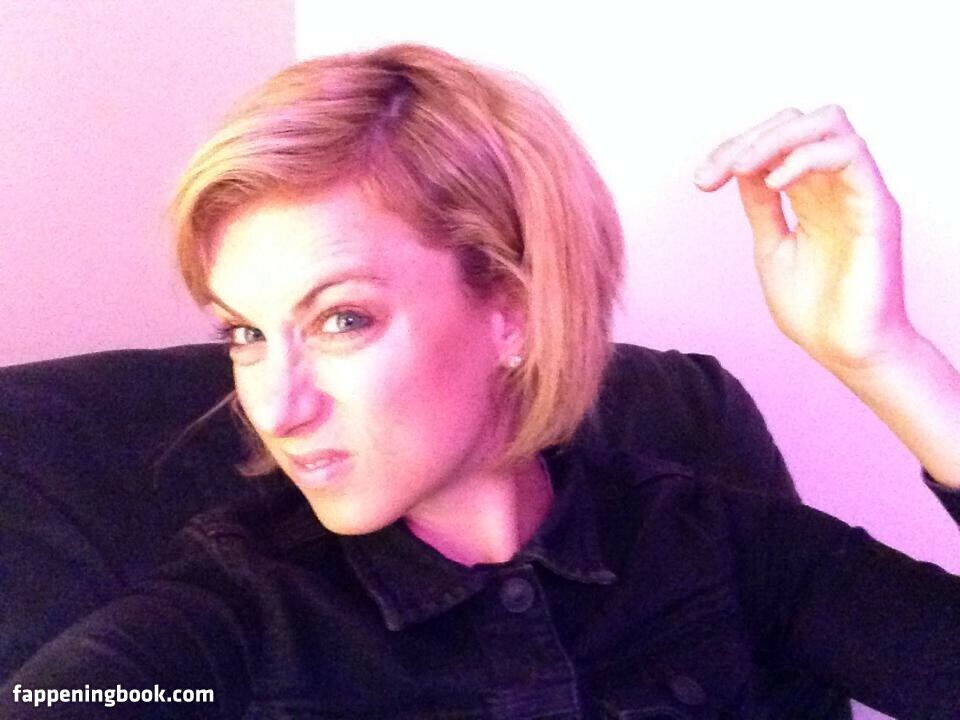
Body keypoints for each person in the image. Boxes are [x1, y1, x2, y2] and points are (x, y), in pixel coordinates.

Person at [2, 42, 959, 719]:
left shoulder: (712, 543)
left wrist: (884, 355)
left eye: (342, 319)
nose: (276, 409)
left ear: (516, 310)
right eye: (246, 334)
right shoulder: (241, 611)